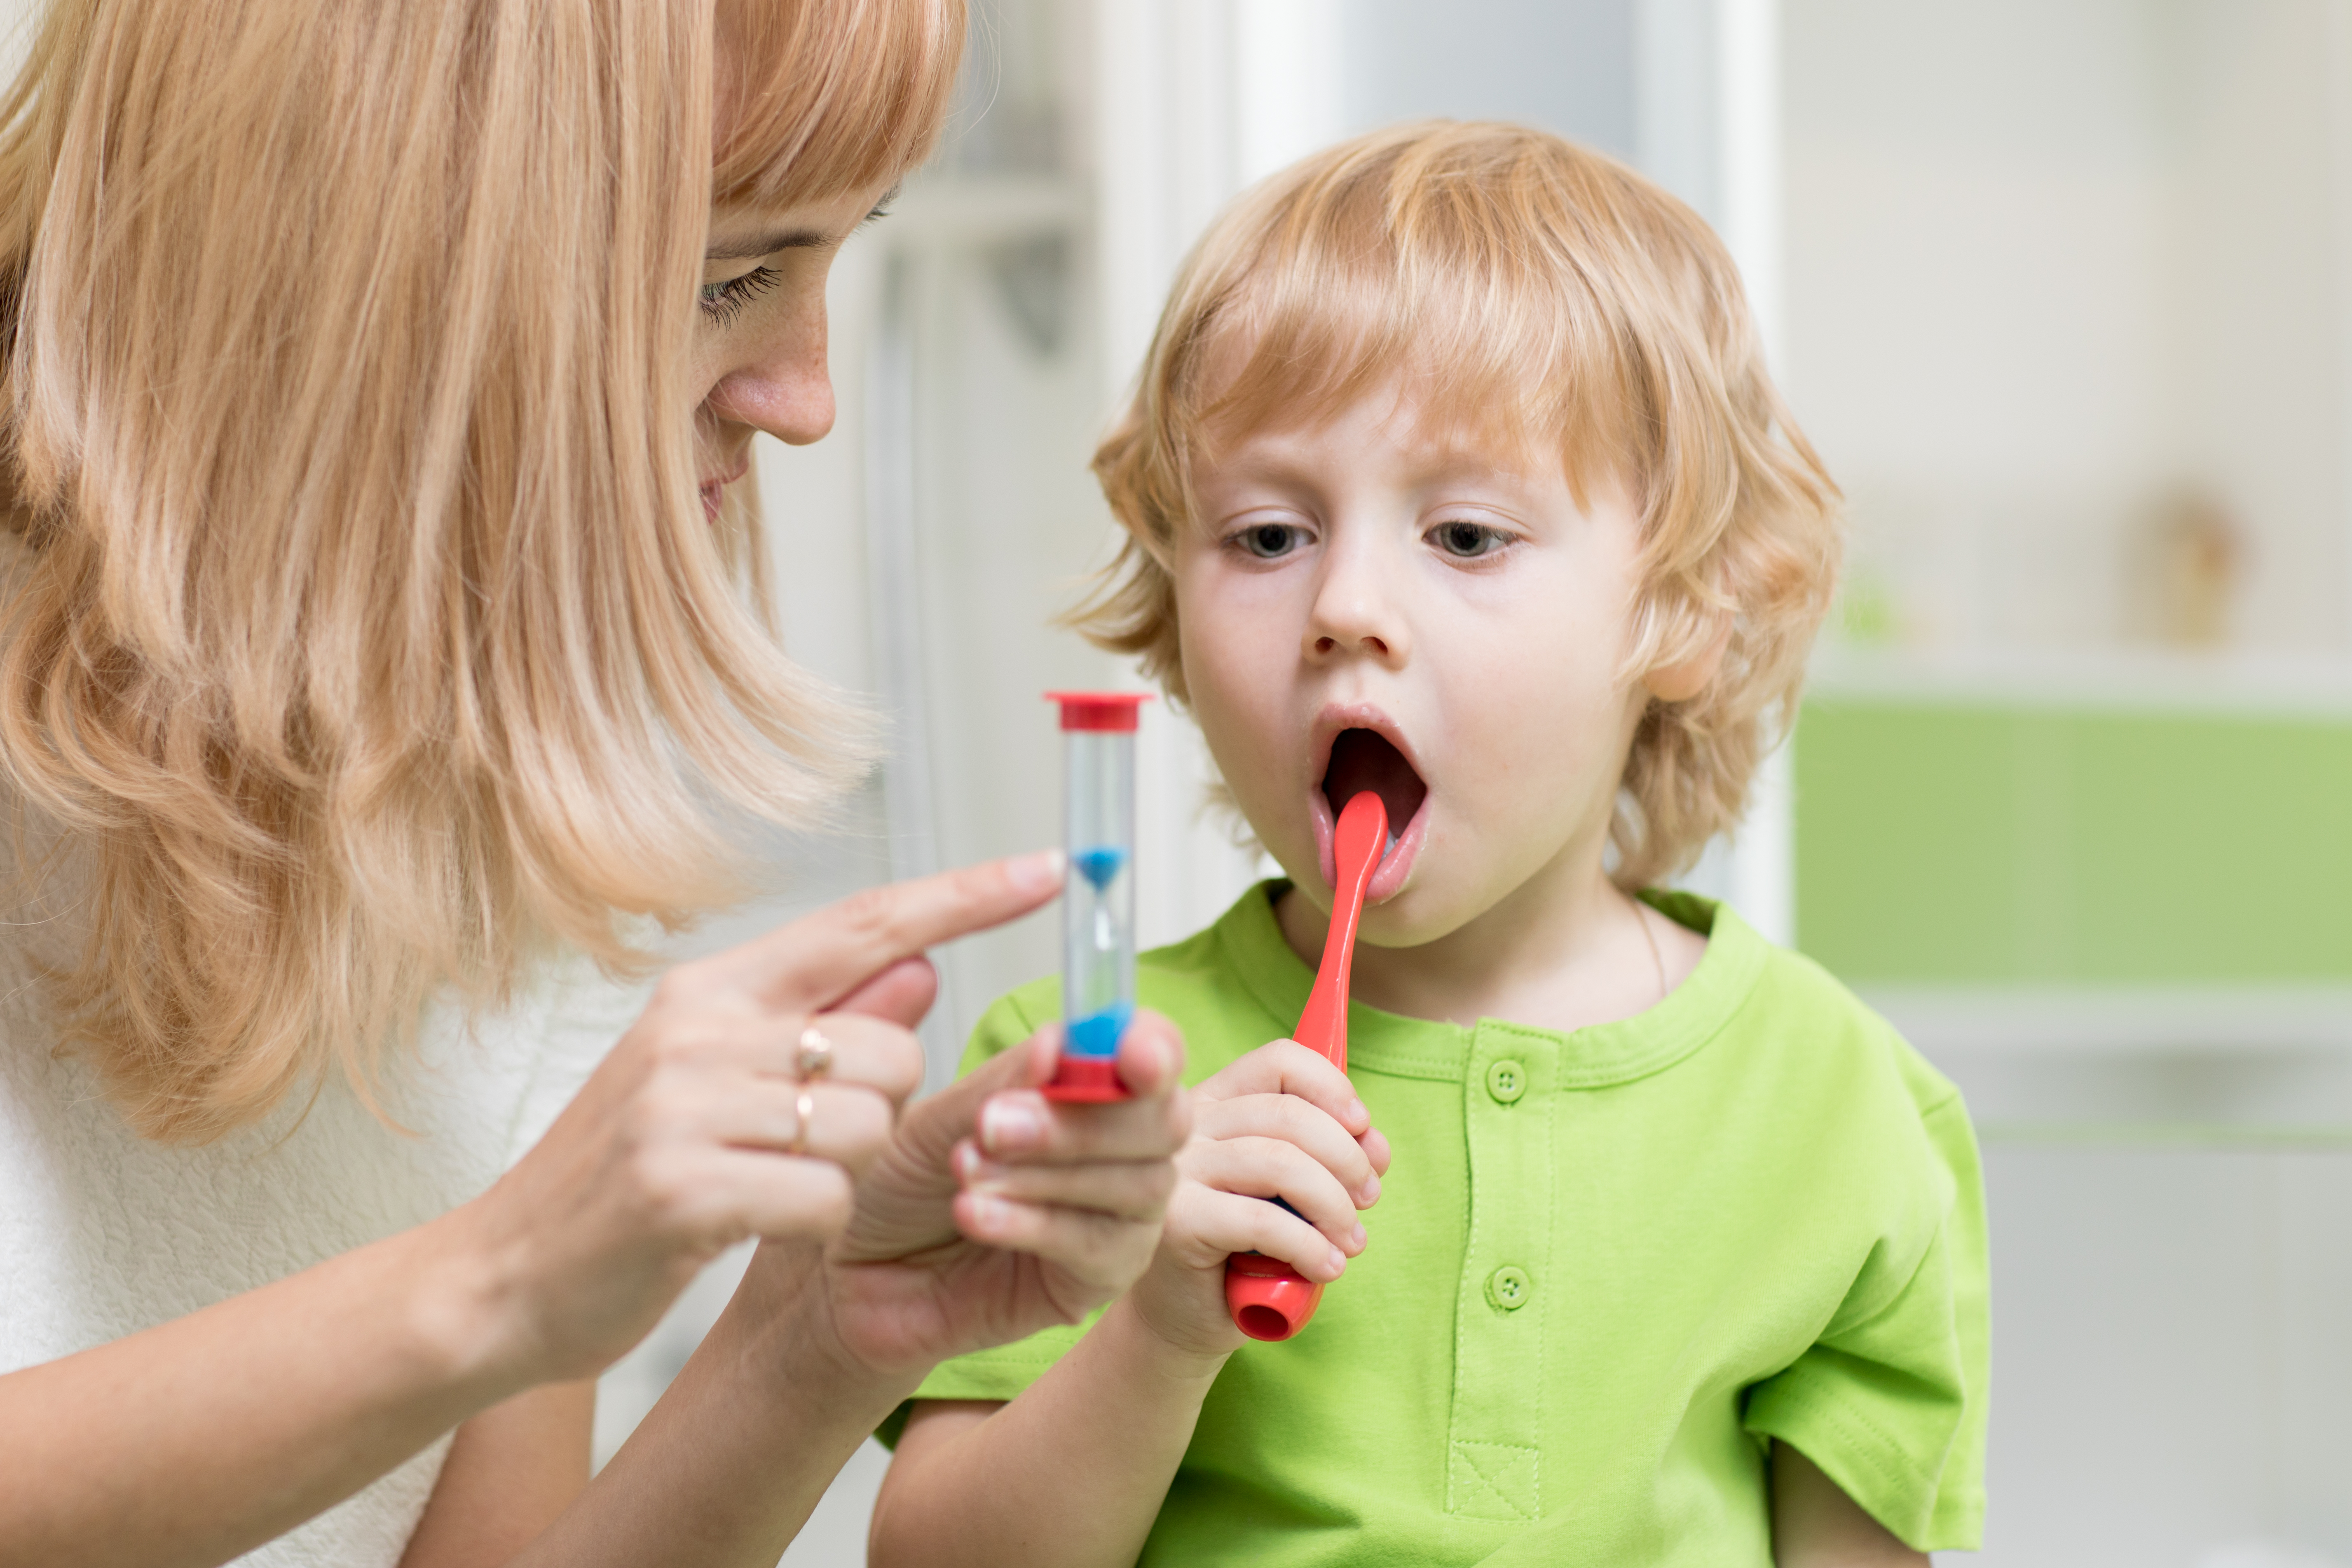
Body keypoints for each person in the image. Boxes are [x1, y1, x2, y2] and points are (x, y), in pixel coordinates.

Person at [0, 2, 1192, 1565]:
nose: (804, 396)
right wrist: (495, 1282)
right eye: (725, 279)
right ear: (362, 233)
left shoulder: (492, 804)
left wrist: (813, 1337)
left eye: (841, 257)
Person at [871, 121, 1990, 1567]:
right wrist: (1156, 1326)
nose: (1345, 603)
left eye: (1463, 536)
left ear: (1684, 611)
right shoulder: (1087, 1064)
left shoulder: (1841, 1112)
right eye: (1267, 536)